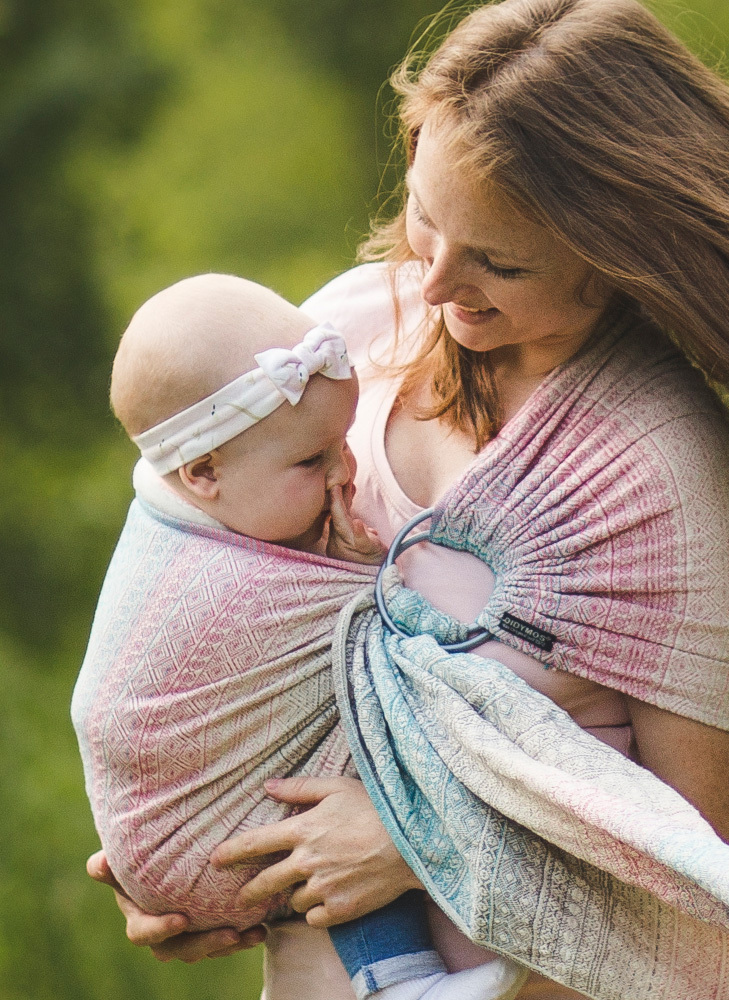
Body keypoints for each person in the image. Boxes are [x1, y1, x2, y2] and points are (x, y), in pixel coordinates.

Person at [88, 0, 729, 997]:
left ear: (618, 265)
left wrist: (418, 840)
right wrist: (177, 855)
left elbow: (707, 863)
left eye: (499, 261)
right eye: (426, 214)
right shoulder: (337, 339)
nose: (431, 281)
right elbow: (206, 592)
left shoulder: (654, 464)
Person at [74, 273, 524, 1000]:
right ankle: (399, 982)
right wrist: (358, 575)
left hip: (189, 857)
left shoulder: (247, 453)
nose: (344, 472)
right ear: (201, 473)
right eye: (313, 462)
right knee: (371, 726)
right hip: (201, 843)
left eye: (340, 444)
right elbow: (383, 637)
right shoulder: (204, 571)